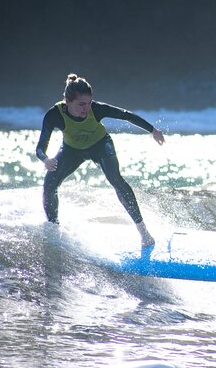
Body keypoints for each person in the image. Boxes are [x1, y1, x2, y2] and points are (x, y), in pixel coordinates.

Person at [36, 73, 165, 247]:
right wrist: (45, 159)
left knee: (116, 179)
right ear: (67, 101)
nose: (86, 109)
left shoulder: (96, 109)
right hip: (72, 151)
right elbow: (40, 148)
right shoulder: (54, 115)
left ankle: (143, 232)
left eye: (89, 103)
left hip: (100, 146)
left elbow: (126, 115)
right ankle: (53, 229)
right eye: (81, 104)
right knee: (49, 184)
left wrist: (152, 130)